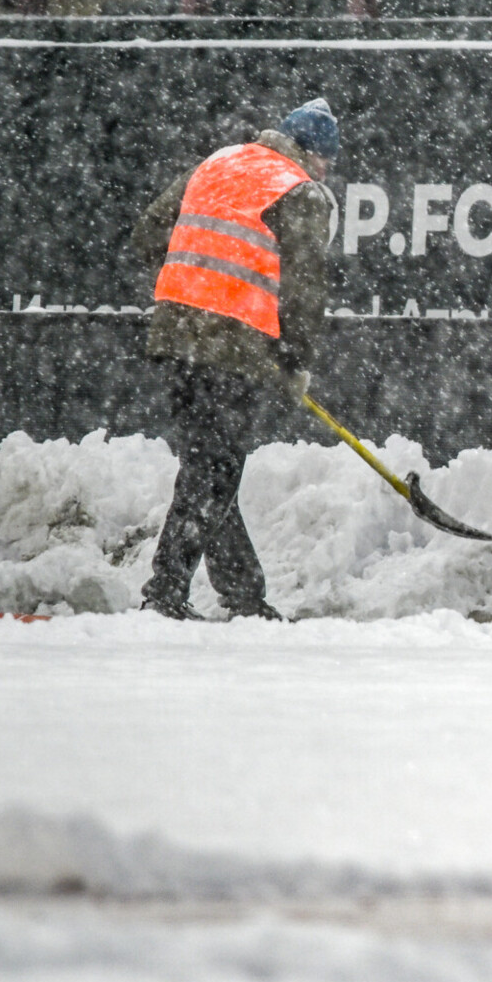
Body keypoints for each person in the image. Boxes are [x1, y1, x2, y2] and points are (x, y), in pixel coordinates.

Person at [133, 99, 339, 621]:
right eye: (328, 163)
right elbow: (304, 290)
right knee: (214, 468)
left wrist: (201, 279)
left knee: (208, 466)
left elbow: (150, 233)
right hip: (235, 343)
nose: (326, 172)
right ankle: (165, 591)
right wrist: (295, 360)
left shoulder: (219, 161)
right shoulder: (302, 191)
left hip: (178, 332)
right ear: (313, 156)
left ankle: (244, 594)